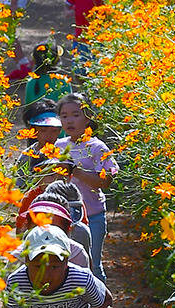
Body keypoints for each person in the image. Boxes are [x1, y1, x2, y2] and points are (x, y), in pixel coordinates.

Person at [56, 92, 119, 280]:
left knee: (93, 264)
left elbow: (106, 181)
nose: (69, 120)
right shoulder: (58, 146)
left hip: (92, 215)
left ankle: (100, 305)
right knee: (65, 264)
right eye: (64, 116)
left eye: (76, 114)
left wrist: (76, 171)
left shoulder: (97, 147)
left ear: (88, 118)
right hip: (63, 217)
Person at [15, 101, 63, 191]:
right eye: (43, 130)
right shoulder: (26, 156)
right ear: (33, 130)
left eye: (54, 130)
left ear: (60, 130)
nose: (49, 135)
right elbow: (21, 185)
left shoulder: (65, 151)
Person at [44, 179, 92, 256]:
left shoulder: (81, 232)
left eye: (72, 212)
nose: (68, 219)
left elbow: (87, 265)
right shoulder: (37, 232)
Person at [24, 42, 71, 109]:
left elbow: (28, 108)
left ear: (34, 60)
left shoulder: (32, 82)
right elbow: (69, 106)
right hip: (59, 118)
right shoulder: (64, 80)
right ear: (57, 60)